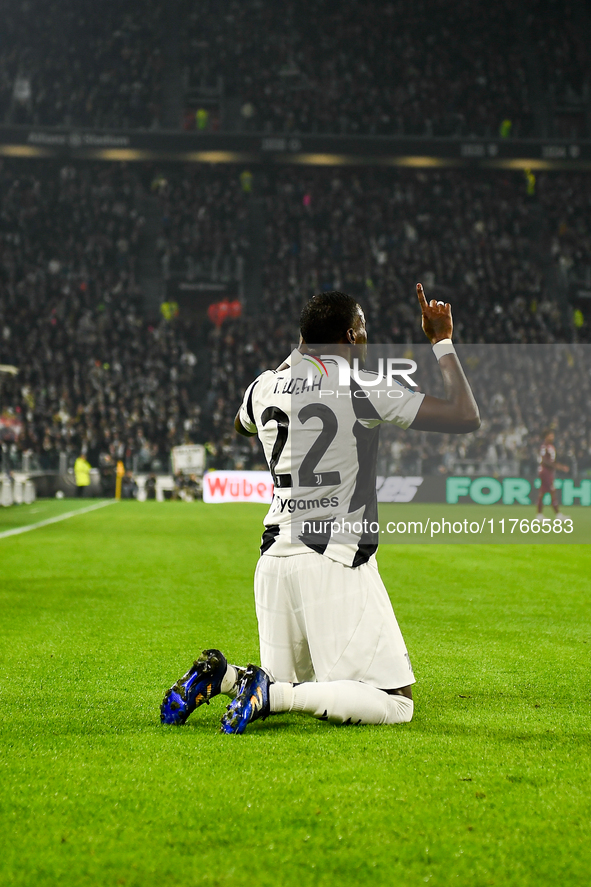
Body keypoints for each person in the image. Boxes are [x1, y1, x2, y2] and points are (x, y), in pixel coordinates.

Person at [161, 284, 480, 733]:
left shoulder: (263, 386)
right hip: (334, 560)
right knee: (394, 703)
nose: (367, 341)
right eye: (364, 330)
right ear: (351, 336)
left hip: (274, 564)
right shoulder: (363, 385)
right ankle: (270, 695)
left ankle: (226, 678)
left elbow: (241, 424)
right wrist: (441, 339)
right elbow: (466, 416)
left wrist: (292, 368)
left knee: (299, 684)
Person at [533, 430, 568, 521]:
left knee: (542, 492)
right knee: (552, 490)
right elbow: (544, 460)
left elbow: (551, 460)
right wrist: (557, 466)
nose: (552, 437)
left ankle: (539, 515)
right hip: (545, 471)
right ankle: (558, 514)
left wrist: (558, 466)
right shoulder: (544, 447)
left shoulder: (551, 446)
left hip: (549, 471)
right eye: (550, 435)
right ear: (546, 436)